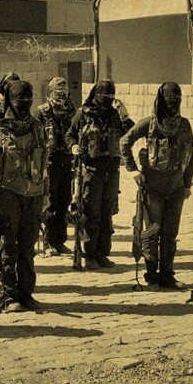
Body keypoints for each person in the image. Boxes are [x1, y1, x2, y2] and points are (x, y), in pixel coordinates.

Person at [0, 79, 48, 312]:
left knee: (28, 248)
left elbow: (44, 162)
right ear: (9, 100)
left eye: (28, 98)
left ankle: (26, 293)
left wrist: (46, 194)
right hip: (7, 194)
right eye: (19, 98)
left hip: (33, 194)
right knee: (7, 246)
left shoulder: (36, 126)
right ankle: (8, 295)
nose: (24, 102)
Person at [120, 82, 193, 289]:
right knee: (152, 233)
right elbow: (124, 142)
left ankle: (167, 275)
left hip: (176, 187)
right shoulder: (150, 123)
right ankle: (152, 275)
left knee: (170, 235)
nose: (174, 103)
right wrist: (133, 170)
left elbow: (189, 155)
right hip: (153, 188)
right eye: (170, 99)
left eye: (177, 99)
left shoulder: (184, 125)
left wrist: (187, 184)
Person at [66, 80, 127, 268]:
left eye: (112, 96)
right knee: (91, 214)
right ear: (96, 95)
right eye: (105, 96)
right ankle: (89, 254)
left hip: (112, 172)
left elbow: (129, 134)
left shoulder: (115, 115)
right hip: (91, 172)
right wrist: (73, 146)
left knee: (107, 215)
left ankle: (102, 253)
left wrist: (125, 116)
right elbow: (69, 135)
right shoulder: (83, 114)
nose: (108, 99)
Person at [35, 76, 77, 255]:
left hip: (67, 161)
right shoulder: (42, 112)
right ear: (50, 93)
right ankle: (48, 241)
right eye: (58, 93)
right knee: (50, 201)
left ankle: (59, 240)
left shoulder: (72, 112)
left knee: (64, 201)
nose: (61, 96)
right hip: (49, 162)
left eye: (64, 93)